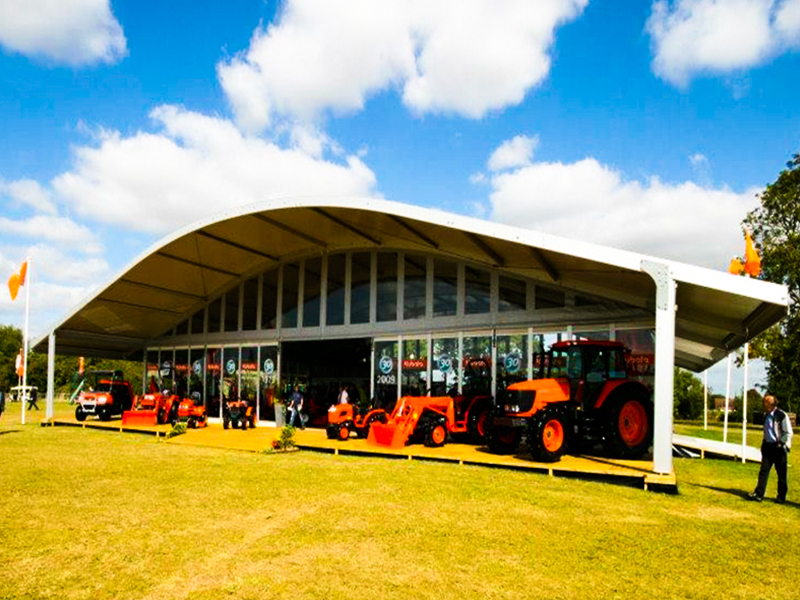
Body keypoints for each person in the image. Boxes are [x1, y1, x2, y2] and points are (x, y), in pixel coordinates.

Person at [749, 394, 793, 503]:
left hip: (778, 447)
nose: (764, 405)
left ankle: (781, 496)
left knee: (781, 473)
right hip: (768, 447)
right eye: (764, 402)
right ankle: (759, 494)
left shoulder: (781, 415)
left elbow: (788, 432)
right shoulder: (765, 415)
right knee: (763, 471)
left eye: (767, 403)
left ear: (773, 404)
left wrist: (781, 443)